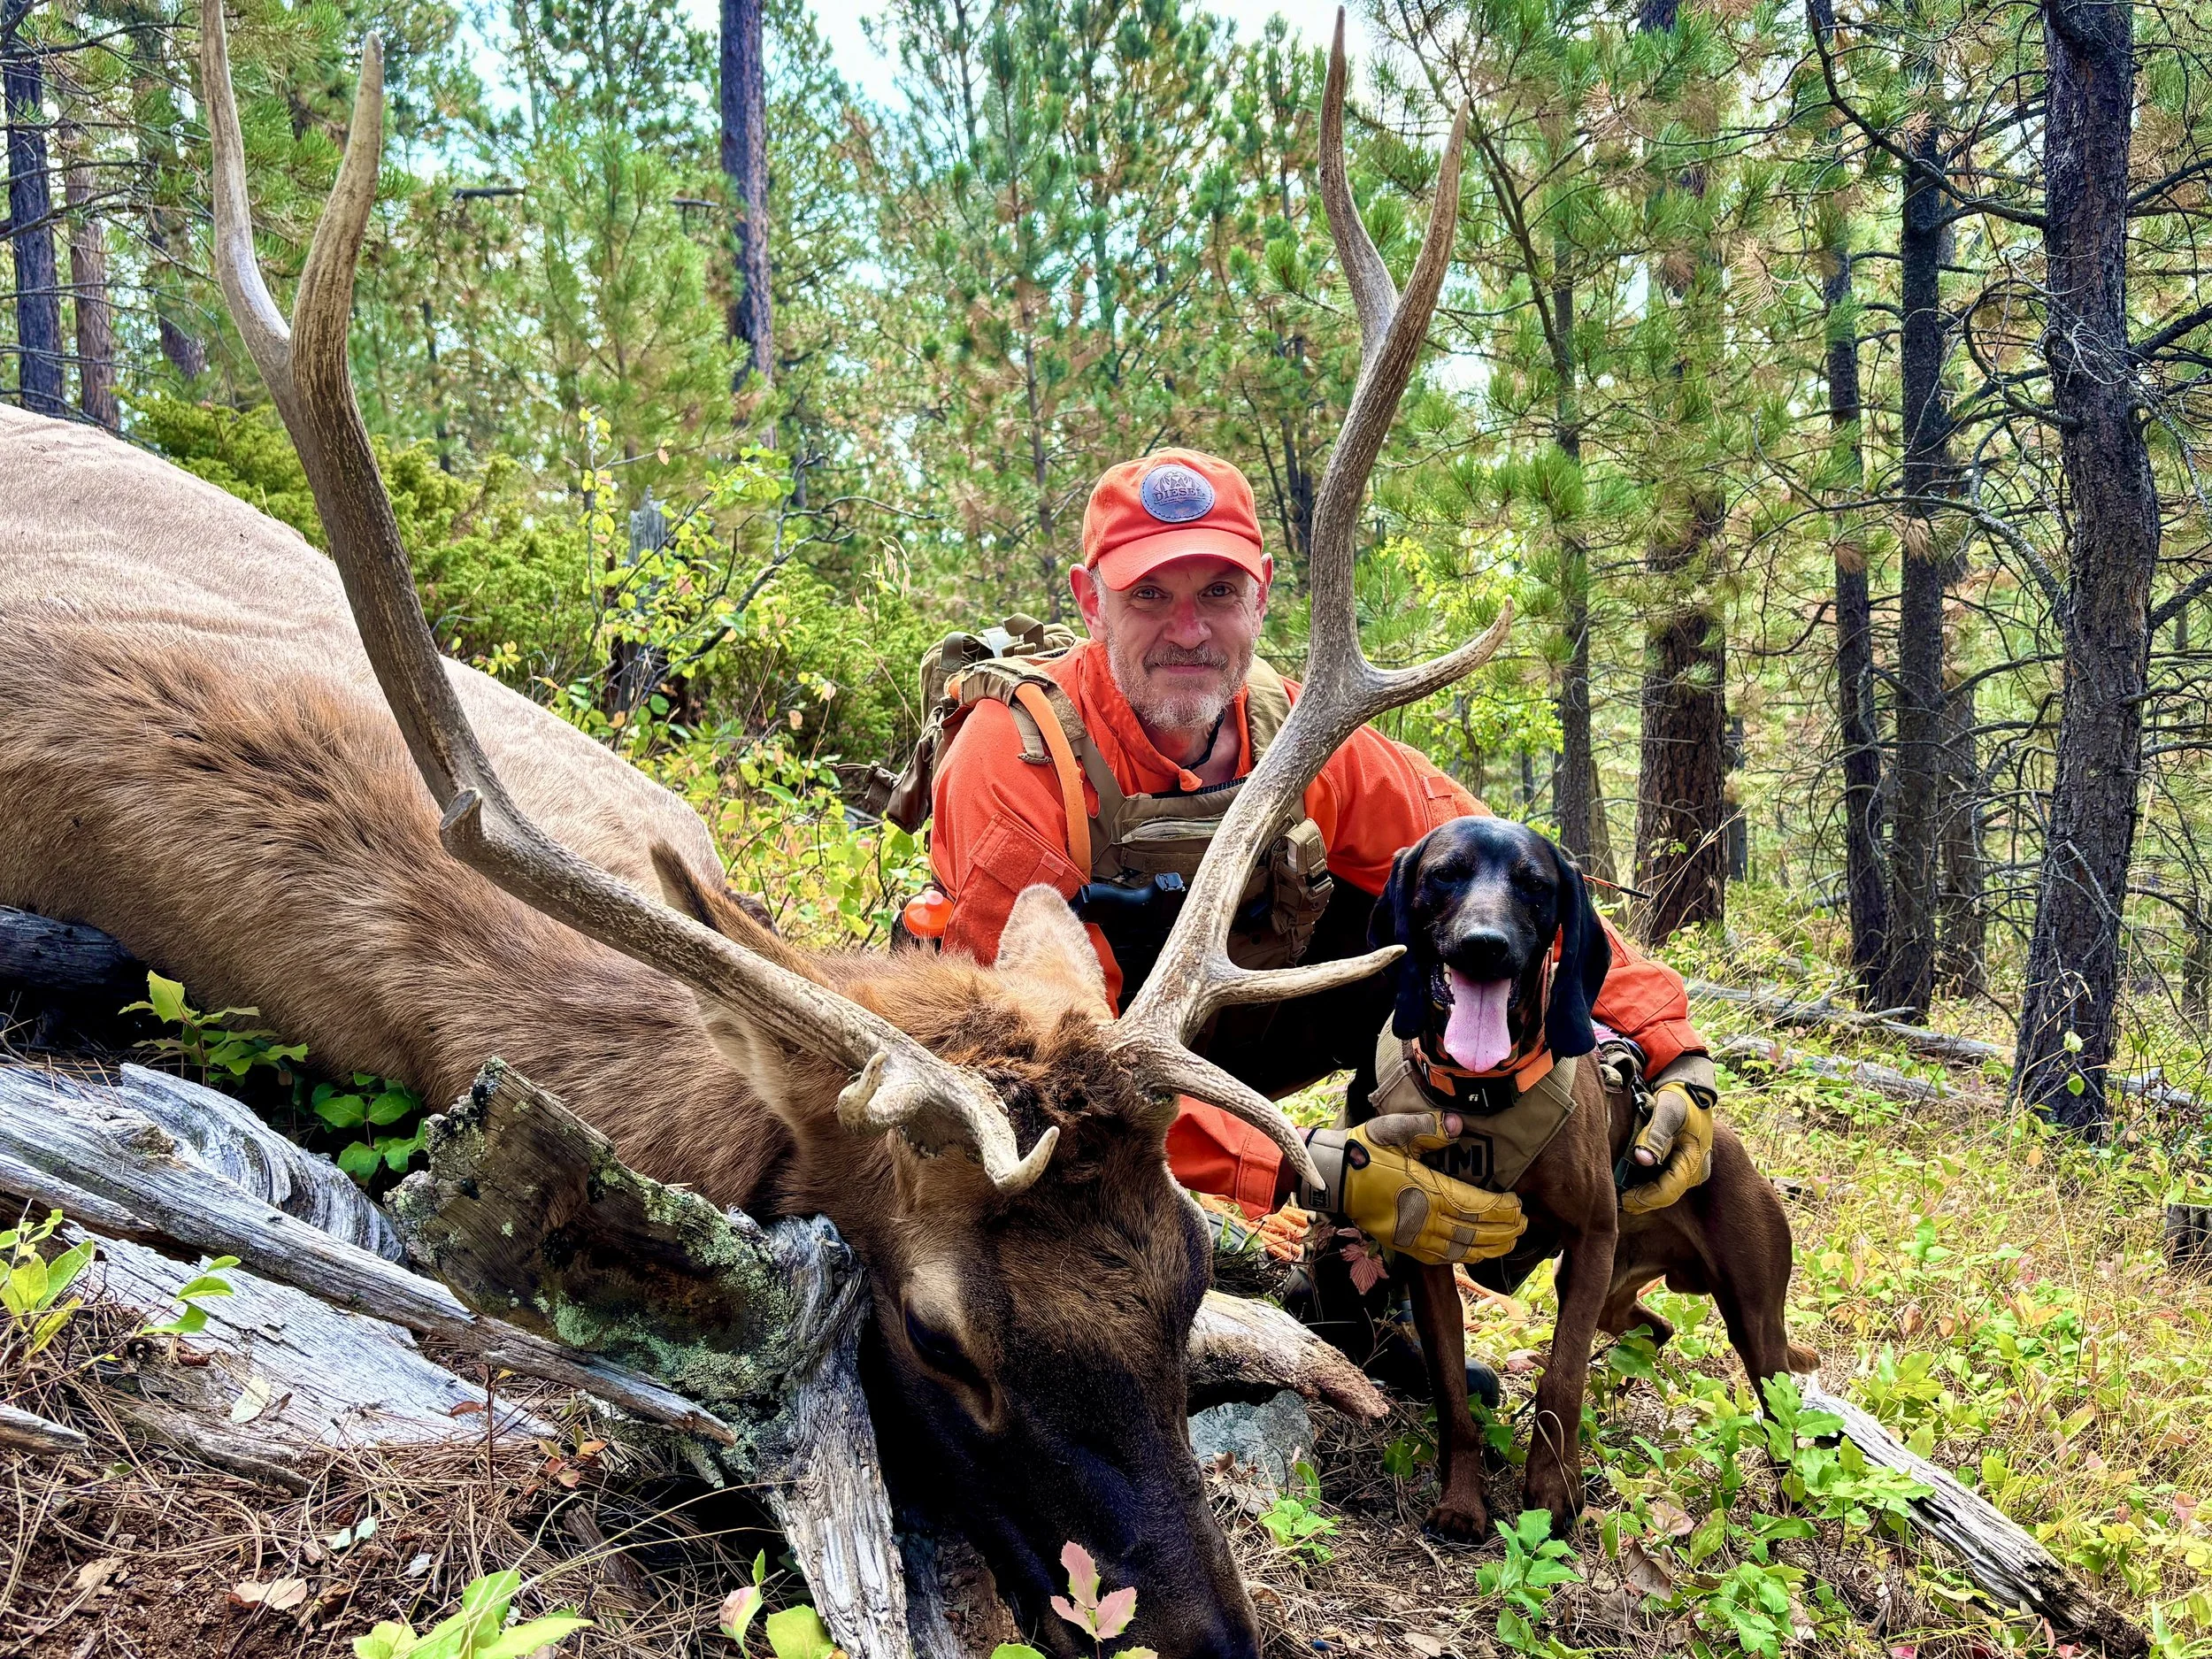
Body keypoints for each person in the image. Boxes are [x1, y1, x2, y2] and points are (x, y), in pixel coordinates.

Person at [926, 448, 1717, 1279]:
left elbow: (1508, 870)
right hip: (1082, 1077)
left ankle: (1364, 1280)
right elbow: (1049, 1063)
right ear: (1092, 601)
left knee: (1430, 922)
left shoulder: (1301, 734)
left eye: (1218, 593)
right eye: (1149, 595)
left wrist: (1672, 1049)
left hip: (1231, 1032)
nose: (1188, 630)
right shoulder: (1015, 763)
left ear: (1261, 592)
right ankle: (1277, 1230)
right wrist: (1306, 1166)